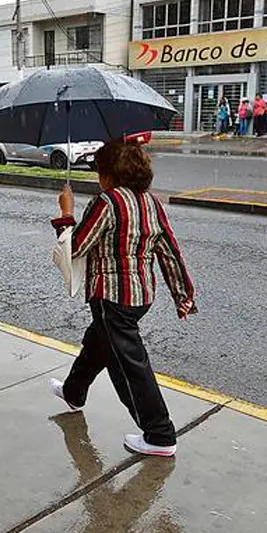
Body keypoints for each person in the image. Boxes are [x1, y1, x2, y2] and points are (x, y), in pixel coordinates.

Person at [49, 138, 196, 457]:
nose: (98, 177)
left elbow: (77, 248)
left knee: (128, 365)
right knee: (98, 343)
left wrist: (66, 213)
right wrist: (182, 295)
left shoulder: (108, 202)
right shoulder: (151, 202)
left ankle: (159, 434)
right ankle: (74, 392)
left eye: (100, 170)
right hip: (141, 295)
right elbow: (169, 250)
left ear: (110, 174)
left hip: (111, 298)